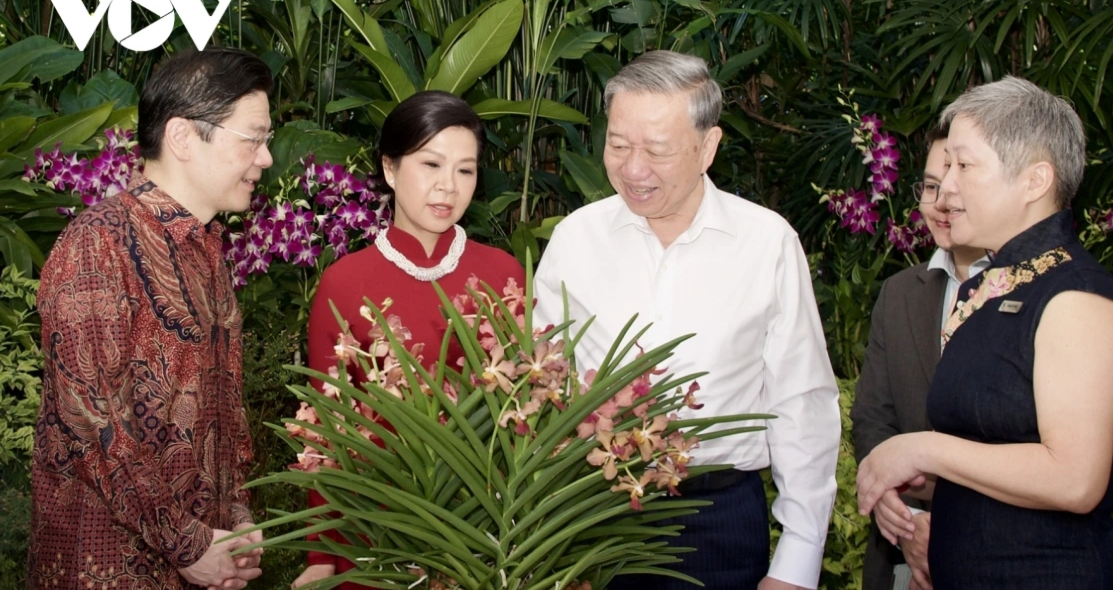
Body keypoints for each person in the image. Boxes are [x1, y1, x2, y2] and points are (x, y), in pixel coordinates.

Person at [532, 50, 840, 590]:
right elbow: (543, 380)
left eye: (657, 150)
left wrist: (799, 557)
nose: (632, 169)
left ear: (708, 147)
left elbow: (802, 402)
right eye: (619, 145)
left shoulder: (766, 244)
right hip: (589, 515)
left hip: (716, 520)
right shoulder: (575, 240)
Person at [857, 76, 1113, 589]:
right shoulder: (995, 288)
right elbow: (1002, 450)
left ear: (1034, 181)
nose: (945, 189)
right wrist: (932, 478)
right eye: (946, 171)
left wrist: (923, 451)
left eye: (964, 166)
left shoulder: (1076, 297)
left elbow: (1075, 479)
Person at [29, 47, 272, 590]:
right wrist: (184, 543)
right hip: (108, 567)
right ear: (183, 137)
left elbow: (223, 409)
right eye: (253, 138)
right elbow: (91, 421)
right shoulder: (97, 243)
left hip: (206, 561)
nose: (265, 159)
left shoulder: (207, 248)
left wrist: (238, 517)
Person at [291, 91, 525, 589]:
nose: (448, 186)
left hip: (480, 529)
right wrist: (320, 554)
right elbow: (325, 427)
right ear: (391, 169)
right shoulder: (343, 283)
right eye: (431, 164)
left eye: (466, 170)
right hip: (374, 529)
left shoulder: (502, 275)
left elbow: (525, 406)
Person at [850, 123, 989, 590]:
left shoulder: (1034, 296)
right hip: (901, 552)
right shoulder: (899, 294)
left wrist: (946, 534)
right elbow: (872, 418)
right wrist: (904, 515)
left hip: (1001, 552)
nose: (943, 200)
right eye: (931, 185)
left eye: (958, 179)